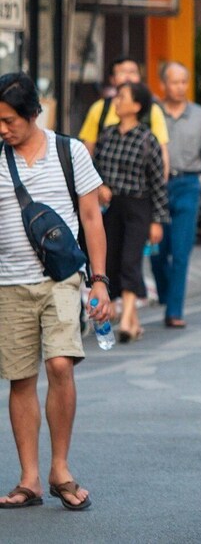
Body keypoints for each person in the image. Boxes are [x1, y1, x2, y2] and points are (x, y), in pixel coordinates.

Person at [0, 72, 110, 510]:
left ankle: (59, 466)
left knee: (61, 364)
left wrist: (99, 279)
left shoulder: (70, 151)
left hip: (62, 278)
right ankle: (30, 479)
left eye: (9, 121)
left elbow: (91, 216)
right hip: (8, 282)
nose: (3, 129)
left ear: (32, 114)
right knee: (20, 378)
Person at [151, 62, 201, 328]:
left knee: (181, 251)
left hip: (188, 185)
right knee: (157, 249)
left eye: (184, 82)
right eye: (175, 82)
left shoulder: (200, 115)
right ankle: (164, 292)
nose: (180, 87)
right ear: (163, 84)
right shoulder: (152, 113)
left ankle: (174, 311)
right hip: (156, 186)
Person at [93, 82, 168, 342]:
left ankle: (126, 319)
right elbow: (94, 168)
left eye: (122, 96)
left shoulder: (148, 139)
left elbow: (158, 183)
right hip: (111, 206)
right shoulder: (108, 135)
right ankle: (133, 324)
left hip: (139, 206)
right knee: (112, 258)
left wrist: (157, 221)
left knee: (130, 259)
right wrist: (100, 185)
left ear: (136, 106)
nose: (117, 100)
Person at [79, 55, 170, 179]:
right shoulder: (99, 109)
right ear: (112, 79)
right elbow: (88, 150)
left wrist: (162, 182)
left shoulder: (152, 110)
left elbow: (161, 152)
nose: (128, 77)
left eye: (133, 72)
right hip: (104, 189)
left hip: (140, 189)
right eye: (122, 72)